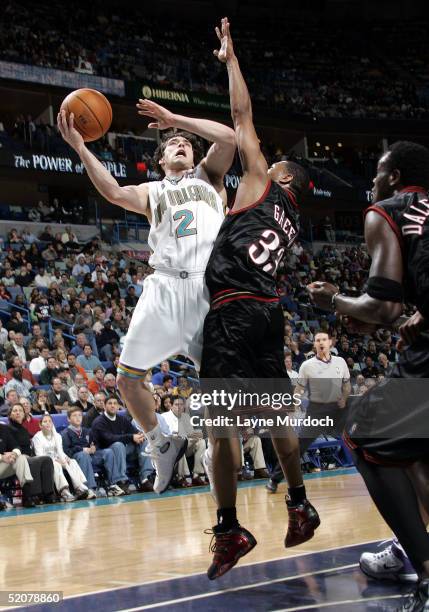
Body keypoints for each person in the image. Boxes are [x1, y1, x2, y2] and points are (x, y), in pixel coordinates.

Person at [58, 81, 236, 495]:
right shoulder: (153, 190)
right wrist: (82, 148)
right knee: (126, 380)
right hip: (162, 289)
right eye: (172, 142)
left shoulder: (210, 178)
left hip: (207, 293)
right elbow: (114, 192)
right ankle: (161, 443)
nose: (179, 143)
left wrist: (175, 119)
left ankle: (215, 448)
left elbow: (228, 137)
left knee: (219, 388)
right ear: (160, 160)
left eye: (185, 143)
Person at [200, 19, 319, 580]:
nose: (265, 158)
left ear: (283, 174)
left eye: (273, 161)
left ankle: (229, 529)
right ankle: (299, 502)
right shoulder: (291, 218)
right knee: (275, 415)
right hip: (270, 312)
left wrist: (231, 60)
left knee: (217, 423)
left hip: (233, 311)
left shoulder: (260, 182)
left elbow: (240, 118)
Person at [308, 141, 429, 610]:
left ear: (395, 177)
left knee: (362, 433)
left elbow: (382, 305)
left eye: (378, 174)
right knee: (416, 445)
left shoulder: (387, 210)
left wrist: (333, 300)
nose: (372, 183)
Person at [266, 332, 350, 493]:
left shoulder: (341, 362)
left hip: (339, 410)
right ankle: (274, 479)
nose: (321, 343)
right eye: (318, 340)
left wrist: (345, 397)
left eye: (324, 340)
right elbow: (298, 390)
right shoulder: (307, 365)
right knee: (298, 447)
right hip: (317, 411)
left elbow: (346, 385)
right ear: (315, 345)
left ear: (330, 343)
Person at [91, 398, 154, 492]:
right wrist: (131, 437)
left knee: (144, 442)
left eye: (115, 403)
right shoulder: (99, 421)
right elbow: (109, 439)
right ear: (104, 406)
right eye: (110, 403)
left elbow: (134, 432)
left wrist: (140, 436)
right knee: (118, 445)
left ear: (118, 406)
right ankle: (122, 481)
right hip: (107, 452)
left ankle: (145, 478)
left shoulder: (122, 419)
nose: (113, 405)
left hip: (124, 451)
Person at [6, 404, 55, 507]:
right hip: (15, 460)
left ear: (24, 414)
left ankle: (48, 494)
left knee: (47, 459)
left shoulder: (23, 429)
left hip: (29, 457)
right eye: (15, 411)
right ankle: (33, 495)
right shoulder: (7, 429)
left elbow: (32, 438)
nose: (18, 413)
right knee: (34, 461)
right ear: (10, 415)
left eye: (20, 411)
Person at [32, 414, 89, 502]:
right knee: (56, 464)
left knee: (72, 461)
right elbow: (40, 455)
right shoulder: (37, 437)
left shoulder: (57, 436)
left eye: (50, 421)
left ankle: (79, 487)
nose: (48, 424)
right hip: (44, 462)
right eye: (45, 422)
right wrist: (56, 460)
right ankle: (64, 491)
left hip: (57, 459)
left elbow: (60, 452)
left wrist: (66, 458)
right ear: (40, 425)